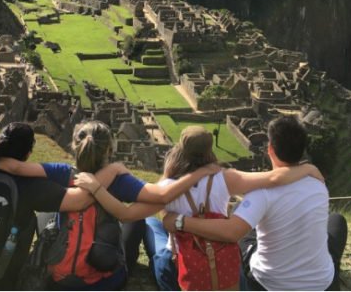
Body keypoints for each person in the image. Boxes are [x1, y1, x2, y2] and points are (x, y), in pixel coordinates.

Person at [74, 124, 325, 291]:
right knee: (162, 223)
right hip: (216, 255)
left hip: (184, 260)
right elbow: (273, 178)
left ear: (180, 149)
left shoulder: (168, 186)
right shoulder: (225, 178)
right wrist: (310, 169)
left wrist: (99, 187)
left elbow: (126, 214)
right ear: (209, 150)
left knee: (153, 223)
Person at [0, 119, 223, 290]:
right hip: (104, 283)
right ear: (110, 151)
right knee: (138, 222)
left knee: (54, 216)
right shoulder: (118, 180)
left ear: (75, 146)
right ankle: (123, 272)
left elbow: (15, 168)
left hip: (59, 278)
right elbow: (162, 196)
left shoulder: (62, 172)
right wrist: (199, 172)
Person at [0, 122, 120, 290]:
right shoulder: (29, 186)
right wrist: (111, 172)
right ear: (27, 154)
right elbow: (80, 200)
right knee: (32, 219)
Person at [162, 116, 348, 291]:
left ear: (270, 150)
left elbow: (232, 232)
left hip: (268, 284)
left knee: (245, 229)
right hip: (322, 284)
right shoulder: (318, 183)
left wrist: (180, 221)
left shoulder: (261, 192)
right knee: (337, 221)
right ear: (303, 150)